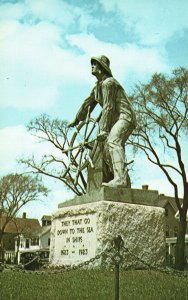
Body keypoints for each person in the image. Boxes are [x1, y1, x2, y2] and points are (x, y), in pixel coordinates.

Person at [68, 55, 136, 187]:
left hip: (125, 116)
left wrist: (104, 129)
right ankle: (124, 181)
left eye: (95, 64)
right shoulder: (97, 87)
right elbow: (87, 104)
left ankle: (120, 180)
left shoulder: (108, 83)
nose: (92, 66)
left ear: (102, 68)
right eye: (92, 64)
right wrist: (76, 120)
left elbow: (108, 107)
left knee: (113, 141)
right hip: (114, 119)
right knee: (106, 151)